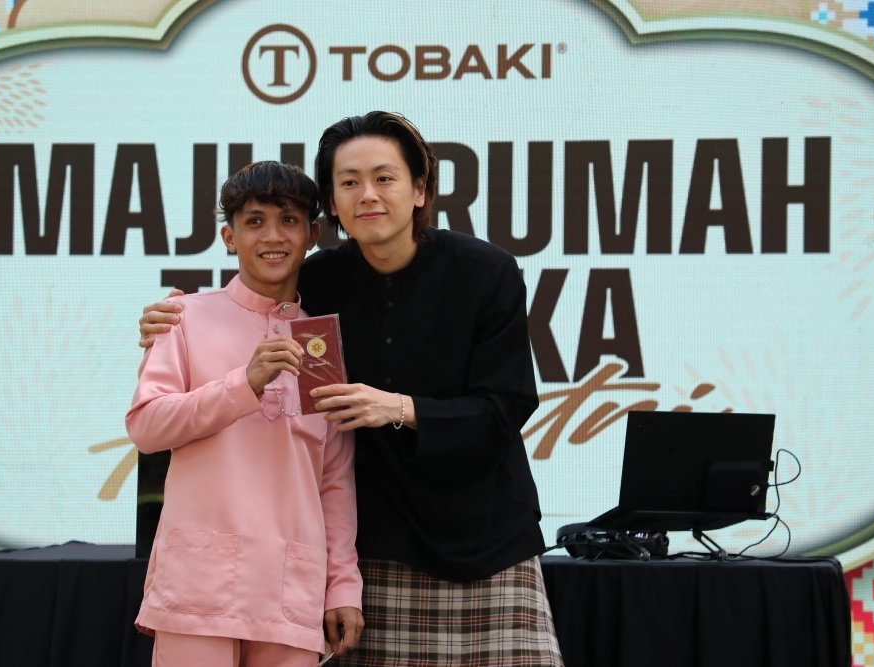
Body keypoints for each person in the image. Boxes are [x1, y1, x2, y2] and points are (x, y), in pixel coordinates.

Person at [139, 113, 563, 666]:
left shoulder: (486, 272)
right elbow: (251, 300)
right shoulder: (315, 284)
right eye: (348, 182)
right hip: (375, 543)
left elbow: (507, 406)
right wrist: (173, 318)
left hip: (483, 531)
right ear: (332, 206)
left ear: (420, 190)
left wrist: (399, 408)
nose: (368, 195)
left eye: (384, 178)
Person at [127, 161, 364, 667]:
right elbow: (146, 428)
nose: (273, 236)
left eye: (289, 220)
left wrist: (343, 585)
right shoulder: (183, 317)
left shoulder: (320, 343)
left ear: (312, 235)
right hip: (199, 590)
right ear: (229, 237)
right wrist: (244, 384)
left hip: (289, 595)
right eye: (255, 222)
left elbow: (333, 479)